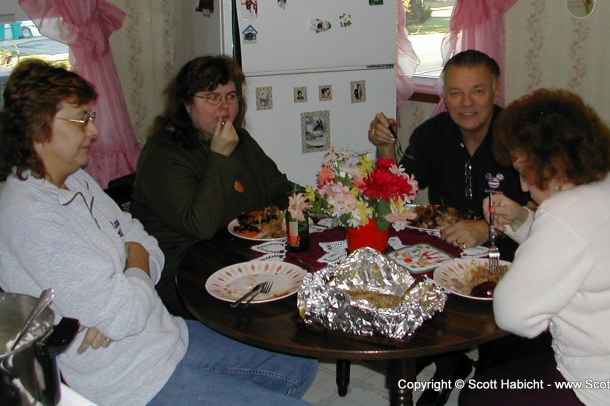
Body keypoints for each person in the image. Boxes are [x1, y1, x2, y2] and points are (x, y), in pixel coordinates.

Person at [0, 59, 317, 406]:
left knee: (298, 363)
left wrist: (129, 267)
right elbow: (126, 307)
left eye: (91, 118)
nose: (93, 131)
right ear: (37, 127)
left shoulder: (76, 180)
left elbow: (143, 240)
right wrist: (129, 277)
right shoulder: (31, 217)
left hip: (164, 336)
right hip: (130, 379)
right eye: (82, 119)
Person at [461, 88, 610, 406]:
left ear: (552, 165)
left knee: (478, 395)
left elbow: (512, 314)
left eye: (524, 172)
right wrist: (522, 220)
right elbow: (584, 251)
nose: (521, 186)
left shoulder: (565, 213)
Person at [368, 50, 535, 406]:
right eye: (456, 93)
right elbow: (398, 191)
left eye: (477, 91)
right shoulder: (432, 133)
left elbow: (543, 204)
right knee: (394, 304)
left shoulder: (520, 135)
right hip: (445, 249)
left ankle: (464, 365)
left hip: (509, 254)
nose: (466, 103)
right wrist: (384, 147)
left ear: (496, 90)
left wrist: (488, 228)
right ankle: (449, 363)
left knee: (498, 367)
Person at [131, 56, 293, 317]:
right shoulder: (164, 154)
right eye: (211, 97)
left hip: (239, 261)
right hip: (184, 277)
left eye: (231, 96)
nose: (225, 108)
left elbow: (279, 187)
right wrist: (219, 157)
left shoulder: (240, 140)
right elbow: (201, 225)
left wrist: (314, 202)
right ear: (186, 104)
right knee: (278, 316)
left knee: (301, 294)